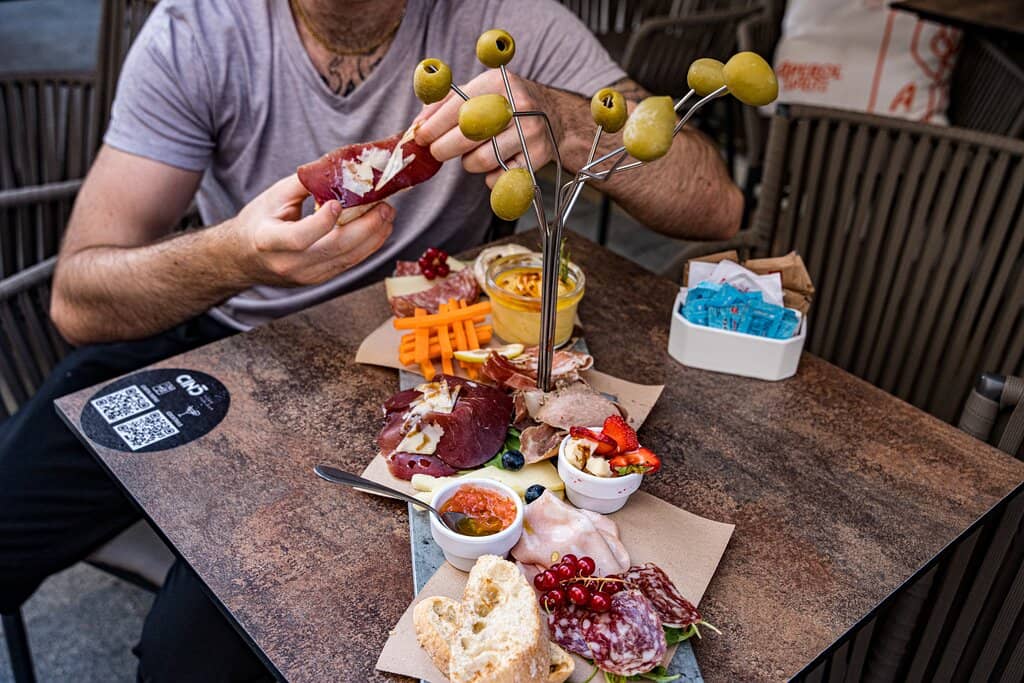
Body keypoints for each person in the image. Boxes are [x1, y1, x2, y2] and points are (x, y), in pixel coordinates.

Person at [0, 0, 742, 679]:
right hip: (211, 330)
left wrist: (565, 118)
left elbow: (715, 202)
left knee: (188, 660)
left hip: (401, 379)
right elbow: (78, 296)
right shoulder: (201, 27)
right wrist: (237, 255)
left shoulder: (506, 16)